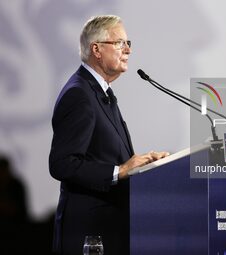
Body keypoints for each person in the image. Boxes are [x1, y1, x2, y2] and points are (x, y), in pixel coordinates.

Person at [49, 15, 169, 255]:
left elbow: (105, 153)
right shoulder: (79, 95)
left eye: (128, 43)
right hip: (89, 235)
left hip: (109, 231)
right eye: (120, 43)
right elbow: (62, 164)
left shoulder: (99, 92)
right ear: (97, 49)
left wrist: (143, 167)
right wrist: (120, 170)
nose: (128, 50)